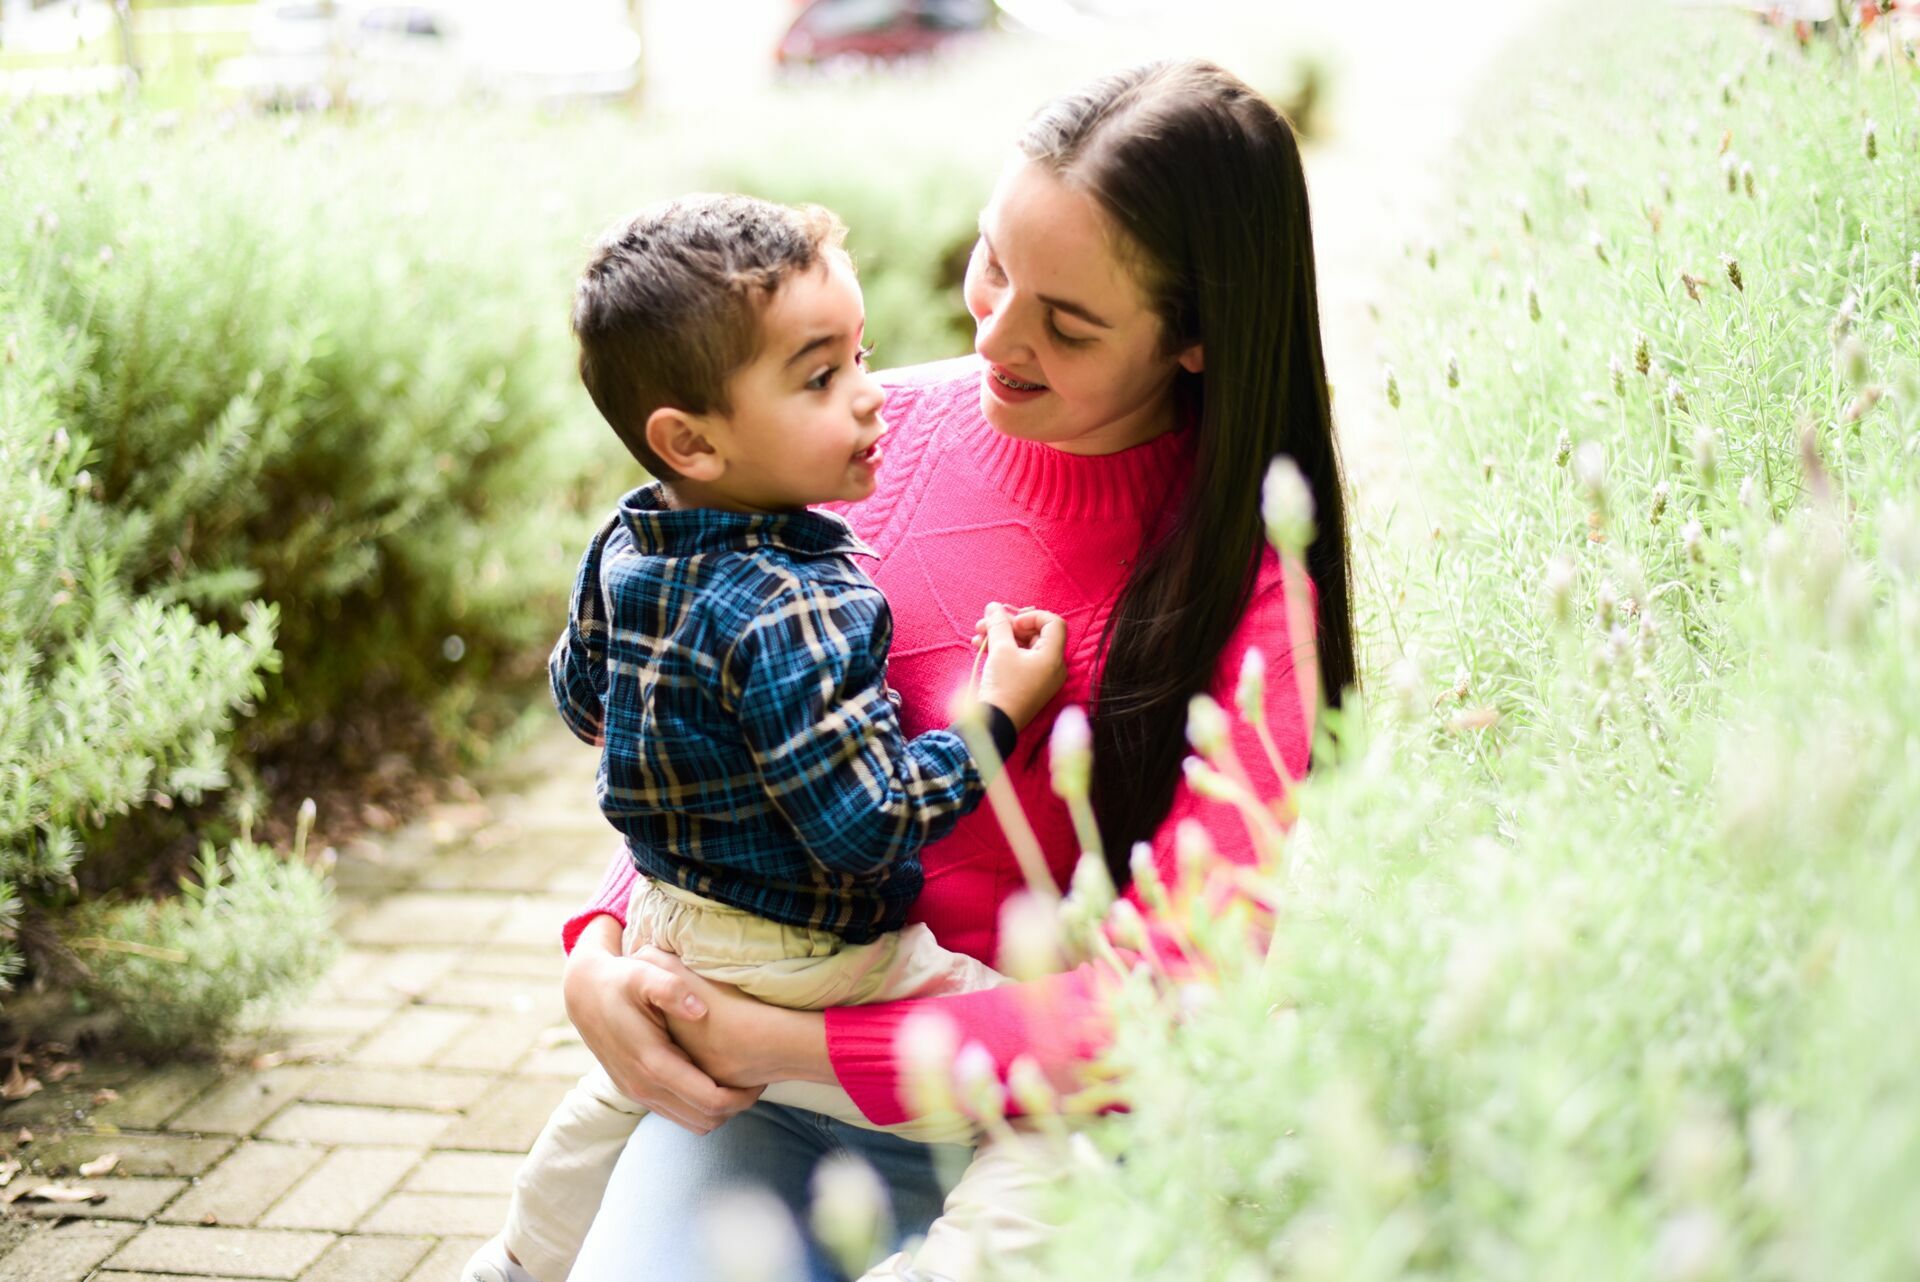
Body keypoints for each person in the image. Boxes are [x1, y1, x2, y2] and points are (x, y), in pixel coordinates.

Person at [559, 58, 1358, 1282]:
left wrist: (781, 1036)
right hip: (778, 1100)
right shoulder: (865, 450)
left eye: (1068, 322)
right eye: (993, 264)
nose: (992, 332)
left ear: (1195, 338)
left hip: (1067, 1126)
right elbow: (699, 712)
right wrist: (604, 950)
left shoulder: (1251, 589)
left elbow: (1169, 996)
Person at [463, 194, 1072, 1282]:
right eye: (819, 378)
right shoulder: (801, 601)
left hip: (670, 925)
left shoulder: (626, 538)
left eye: (862, 354)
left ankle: (511, 1264)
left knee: (607, 1106)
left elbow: (584, 699)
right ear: (690, 437)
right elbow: (866, 827)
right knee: (1048, 1073)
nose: (871, 396)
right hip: (816, 960)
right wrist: (998, 713)